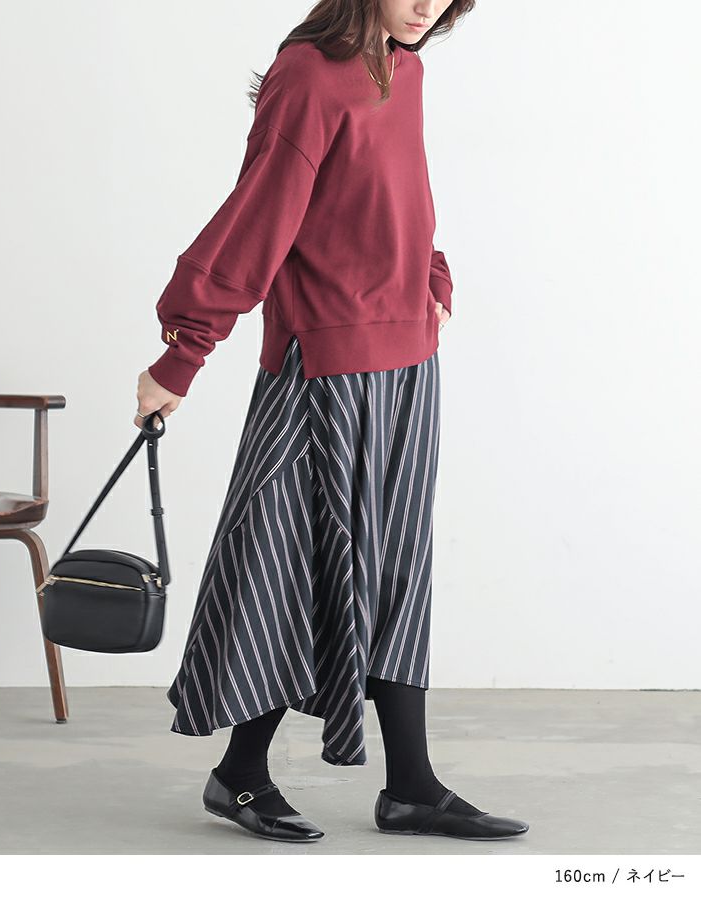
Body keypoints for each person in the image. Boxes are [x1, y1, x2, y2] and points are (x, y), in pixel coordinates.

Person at [135, 0, 529, 843]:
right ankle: (240, 773)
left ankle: (411, 787)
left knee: (395, 568)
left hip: (409, 361)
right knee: (290, 558)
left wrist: (433, 276)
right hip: (323, 361)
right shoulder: (309, 76)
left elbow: (398, 196)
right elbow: (258, 217)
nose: (427, 5)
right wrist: (184, 351)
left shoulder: (405, 68)